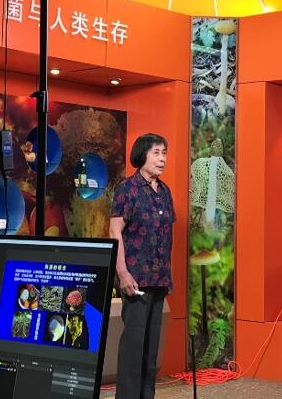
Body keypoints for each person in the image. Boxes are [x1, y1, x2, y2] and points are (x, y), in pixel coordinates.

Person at [110, 133, 175, 399]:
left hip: (159, 279)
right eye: (156, 153)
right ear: (142, 155)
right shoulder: (127, 189)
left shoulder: (165, 191)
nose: (162, 159)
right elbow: (115, 232)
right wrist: (123, 273)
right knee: (134, 347)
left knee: (150, 350)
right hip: (135, 279)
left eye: (164, 153)